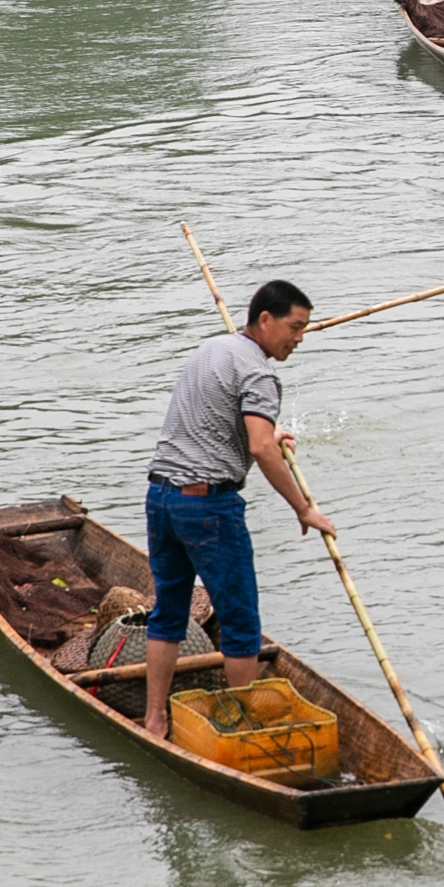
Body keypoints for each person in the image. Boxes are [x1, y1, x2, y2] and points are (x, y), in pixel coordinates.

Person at [139, 281, 335, 744]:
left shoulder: (212, 348)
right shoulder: (261, 376)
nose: (300, 338)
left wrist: (271, 429)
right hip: (208, 507)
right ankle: (243, 735)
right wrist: (304, 509)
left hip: (162, 498)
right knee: (241, 622)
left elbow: (219, 417)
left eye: (305, 329)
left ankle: (155, 721)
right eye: (295, 327)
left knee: (168, 613)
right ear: (264, 320)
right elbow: (260, 447)